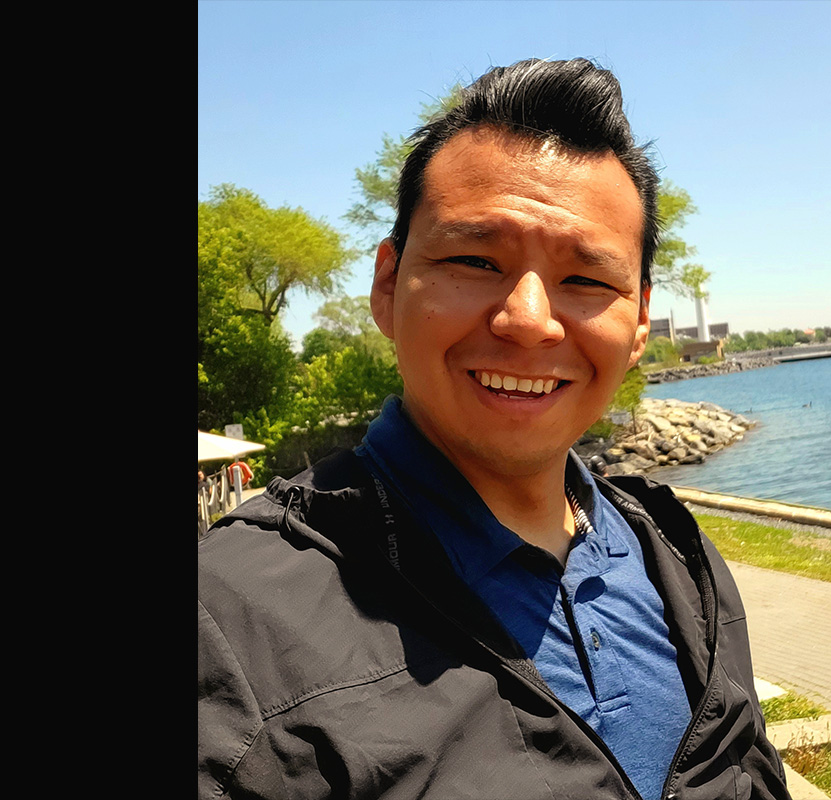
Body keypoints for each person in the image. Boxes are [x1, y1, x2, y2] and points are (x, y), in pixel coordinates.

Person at [198, 57, 791, 800]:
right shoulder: (230, 616)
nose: (529, 321)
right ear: (387, 286)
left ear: (639, 321)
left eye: (586, 279)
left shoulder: (678, 557)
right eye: (476, 259)